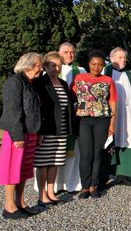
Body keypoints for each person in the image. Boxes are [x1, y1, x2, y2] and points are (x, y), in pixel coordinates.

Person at [0, 53, 43, 219]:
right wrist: (17, 135)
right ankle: (9, 207)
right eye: (39, 65)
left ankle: (21, 202)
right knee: (11, 168)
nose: (41, 68)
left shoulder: (30, 83)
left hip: (30, 132)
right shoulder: (15, 81)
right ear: (29, 65)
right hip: (16, 132)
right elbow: (12, 111)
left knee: (23, 170)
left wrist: (36, 132)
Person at [33, 52, 76, 209]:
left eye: (58, 65)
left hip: (62, 129)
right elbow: (38, 109)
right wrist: (39, 131)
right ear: (45, 66)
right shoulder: (40, 83)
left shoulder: (63, 83)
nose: (56, 68)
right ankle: (41, 195)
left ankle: (51, 192)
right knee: (43, 163)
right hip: (47, 129)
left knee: (55, 163)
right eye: (53, 65)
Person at [73, 49, 117, 199]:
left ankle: (93, 185)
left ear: (103, 66)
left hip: (102, 120)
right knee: (86, 154)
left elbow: (112, 101)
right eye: (93, 64)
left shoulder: (108, 80)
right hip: (83, 120)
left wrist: (112, 123)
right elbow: (72, 95)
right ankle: (84, 187)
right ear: (89, 64)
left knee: (98, 153)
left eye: (100, 65)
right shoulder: (79, 78)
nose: (96, 67)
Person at [103, 47, 131, 185]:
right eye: (120, 58)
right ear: (112, 58)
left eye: (124, 58)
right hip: (111, 116)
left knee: (128, 140)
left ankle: (125, 174)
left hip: (127, 115)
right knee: (111, 143)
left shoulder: (130, 75)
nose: (124, 60)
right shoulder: (105, 72)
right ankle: (109, 174)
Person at [55, 42, 86, 193]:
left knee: (74, 152)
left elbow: (86, 96)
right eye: (66, 52)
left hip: (74, 116)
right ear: (59, 54)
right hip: (56, 117)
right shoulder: (52, 69)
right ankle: (55, 185)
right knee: (55, 150)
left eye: (72, 52)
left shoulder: (81, 71)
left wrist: (80, 110)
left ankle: (72, 183)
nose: (69, 55)